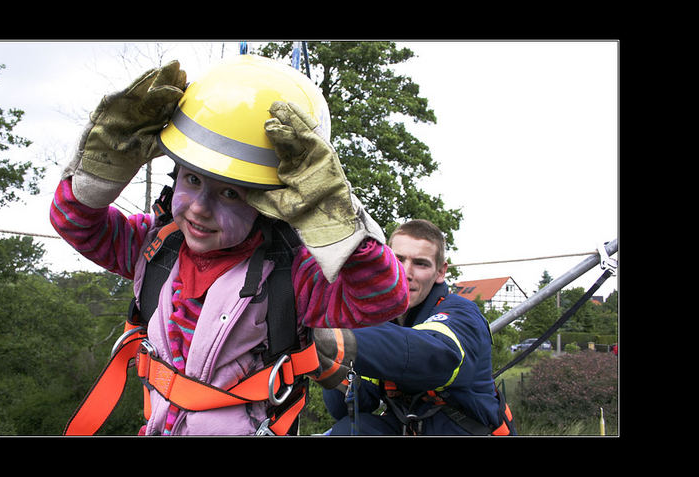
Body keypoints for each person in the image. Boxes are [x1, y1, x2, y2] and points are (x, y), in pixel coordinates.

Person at [50, 55, 409, 436]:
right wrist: (98, 172)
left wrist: (335, 221)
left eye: (231, 193)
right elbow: (75, 222)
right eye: (191, 180)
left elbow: (384, 296)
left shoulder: (292, 275)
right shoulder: (156, 247)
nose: (200, 208)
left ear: (271, 204)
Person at [314, 219, 516, 435]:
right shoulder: (378, 321)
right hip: (409, 427)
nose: (405, 272)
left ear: (440, 272)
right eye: (397, 259)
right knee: (349, 431)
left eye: (421, 263)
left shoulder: (463, 314)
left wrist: (338, 338)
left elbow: (434, 355)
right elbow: (353, 407)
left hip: (464, 431)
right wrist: (326, 366)